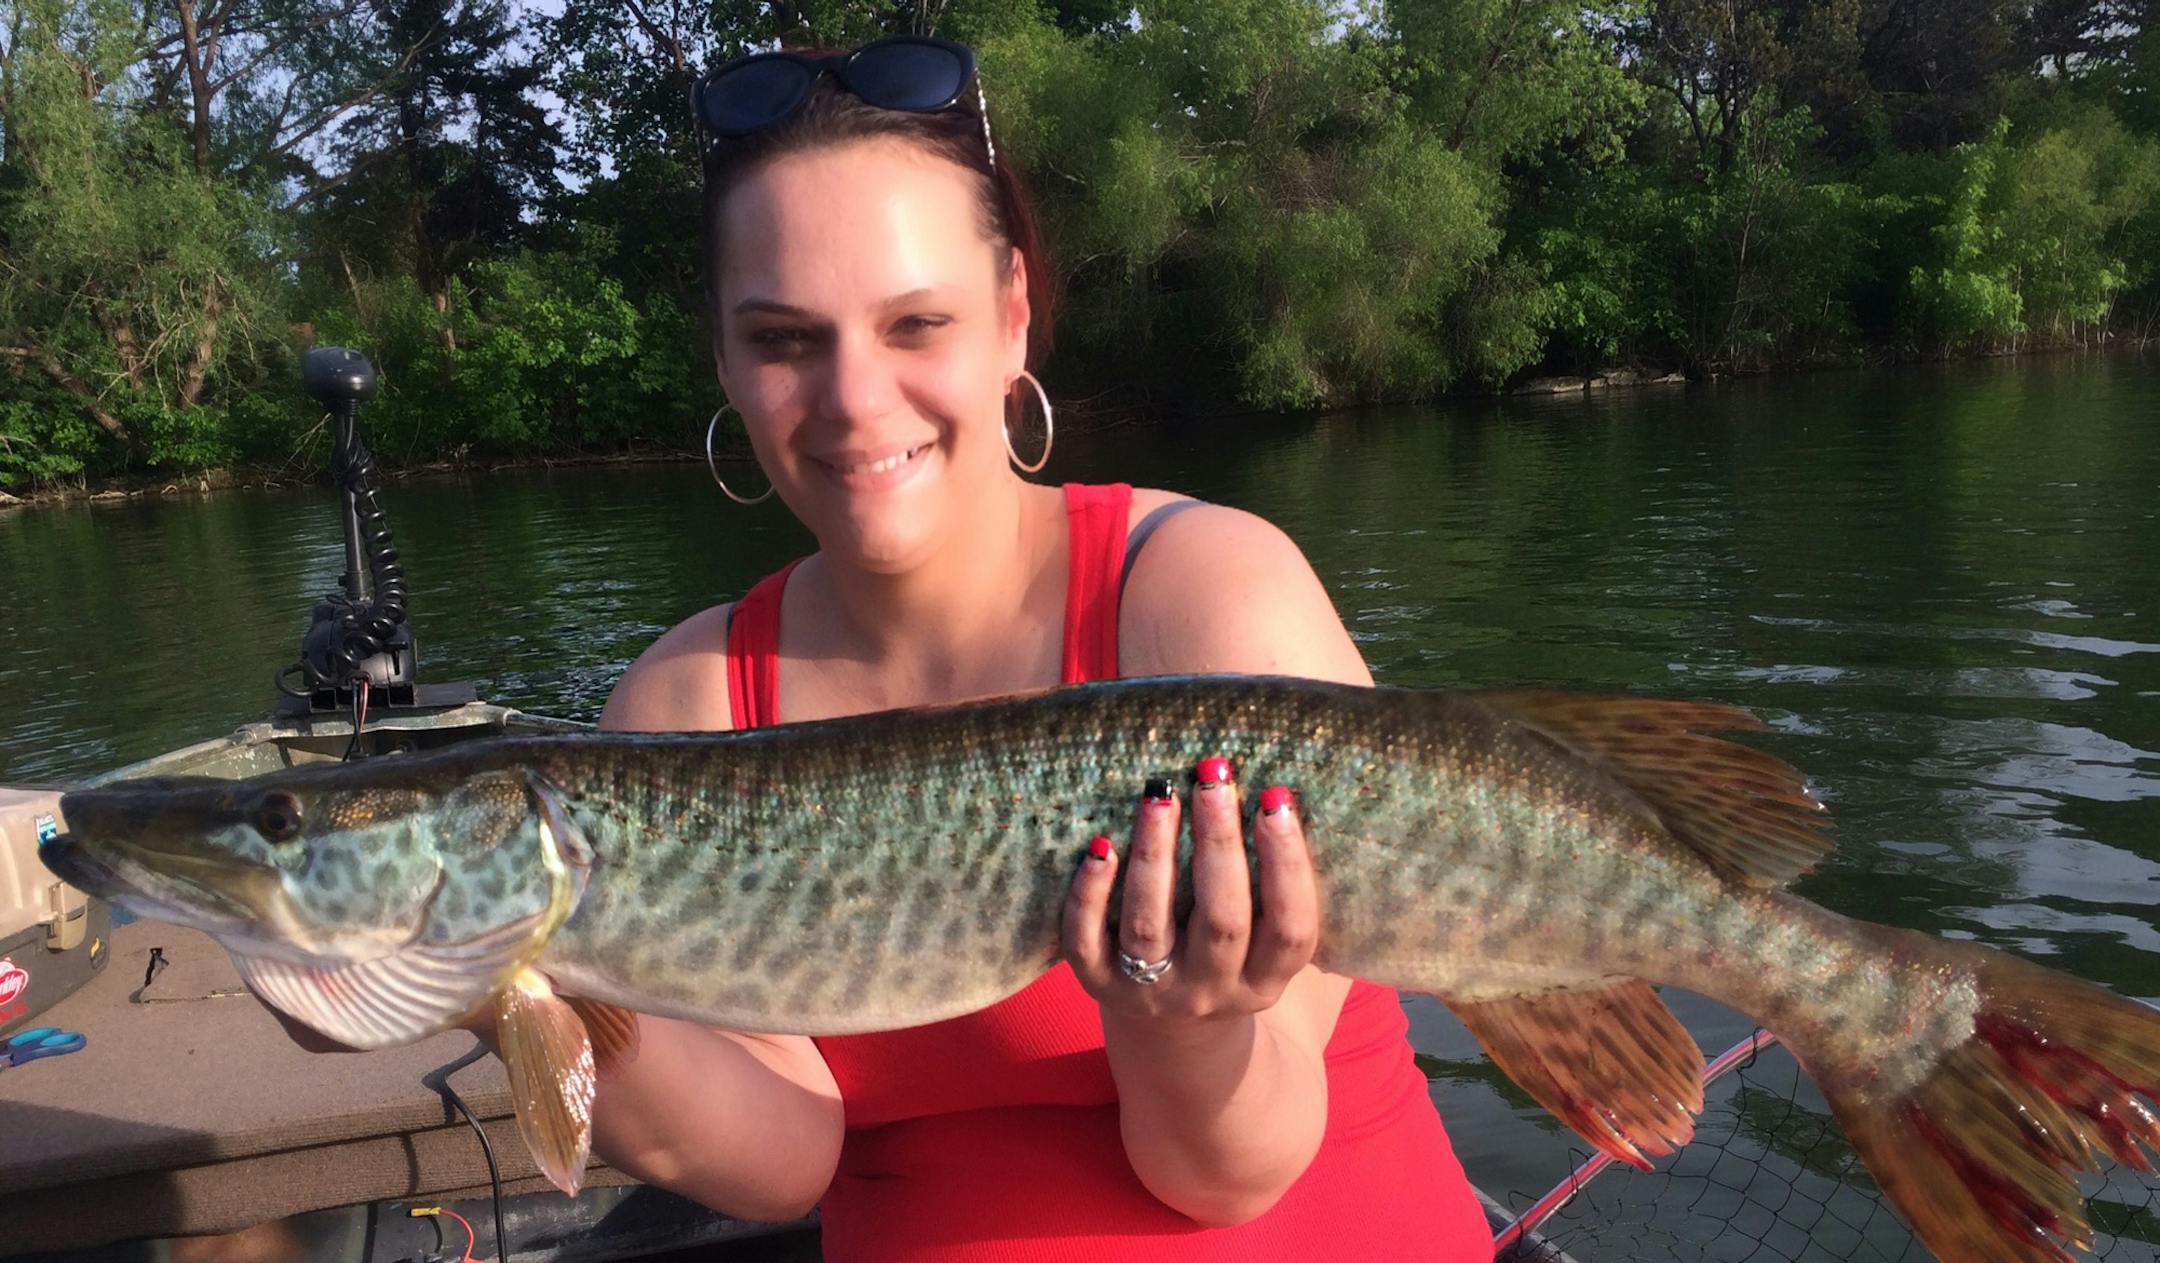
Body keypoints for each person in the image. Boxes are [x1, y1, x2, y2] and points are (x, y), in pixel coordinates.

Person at [270, 34, 1493, 1261]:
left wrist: (1187, 1020)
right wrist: (487, 974)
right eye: (786, 339)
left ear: (1013, 318)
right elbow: (784, 1153)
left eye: (917, 322)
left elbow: (1222, 1179)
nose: (855, 398)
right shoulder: (690, 699)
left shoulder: (1206, 596)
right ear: (726, 360)